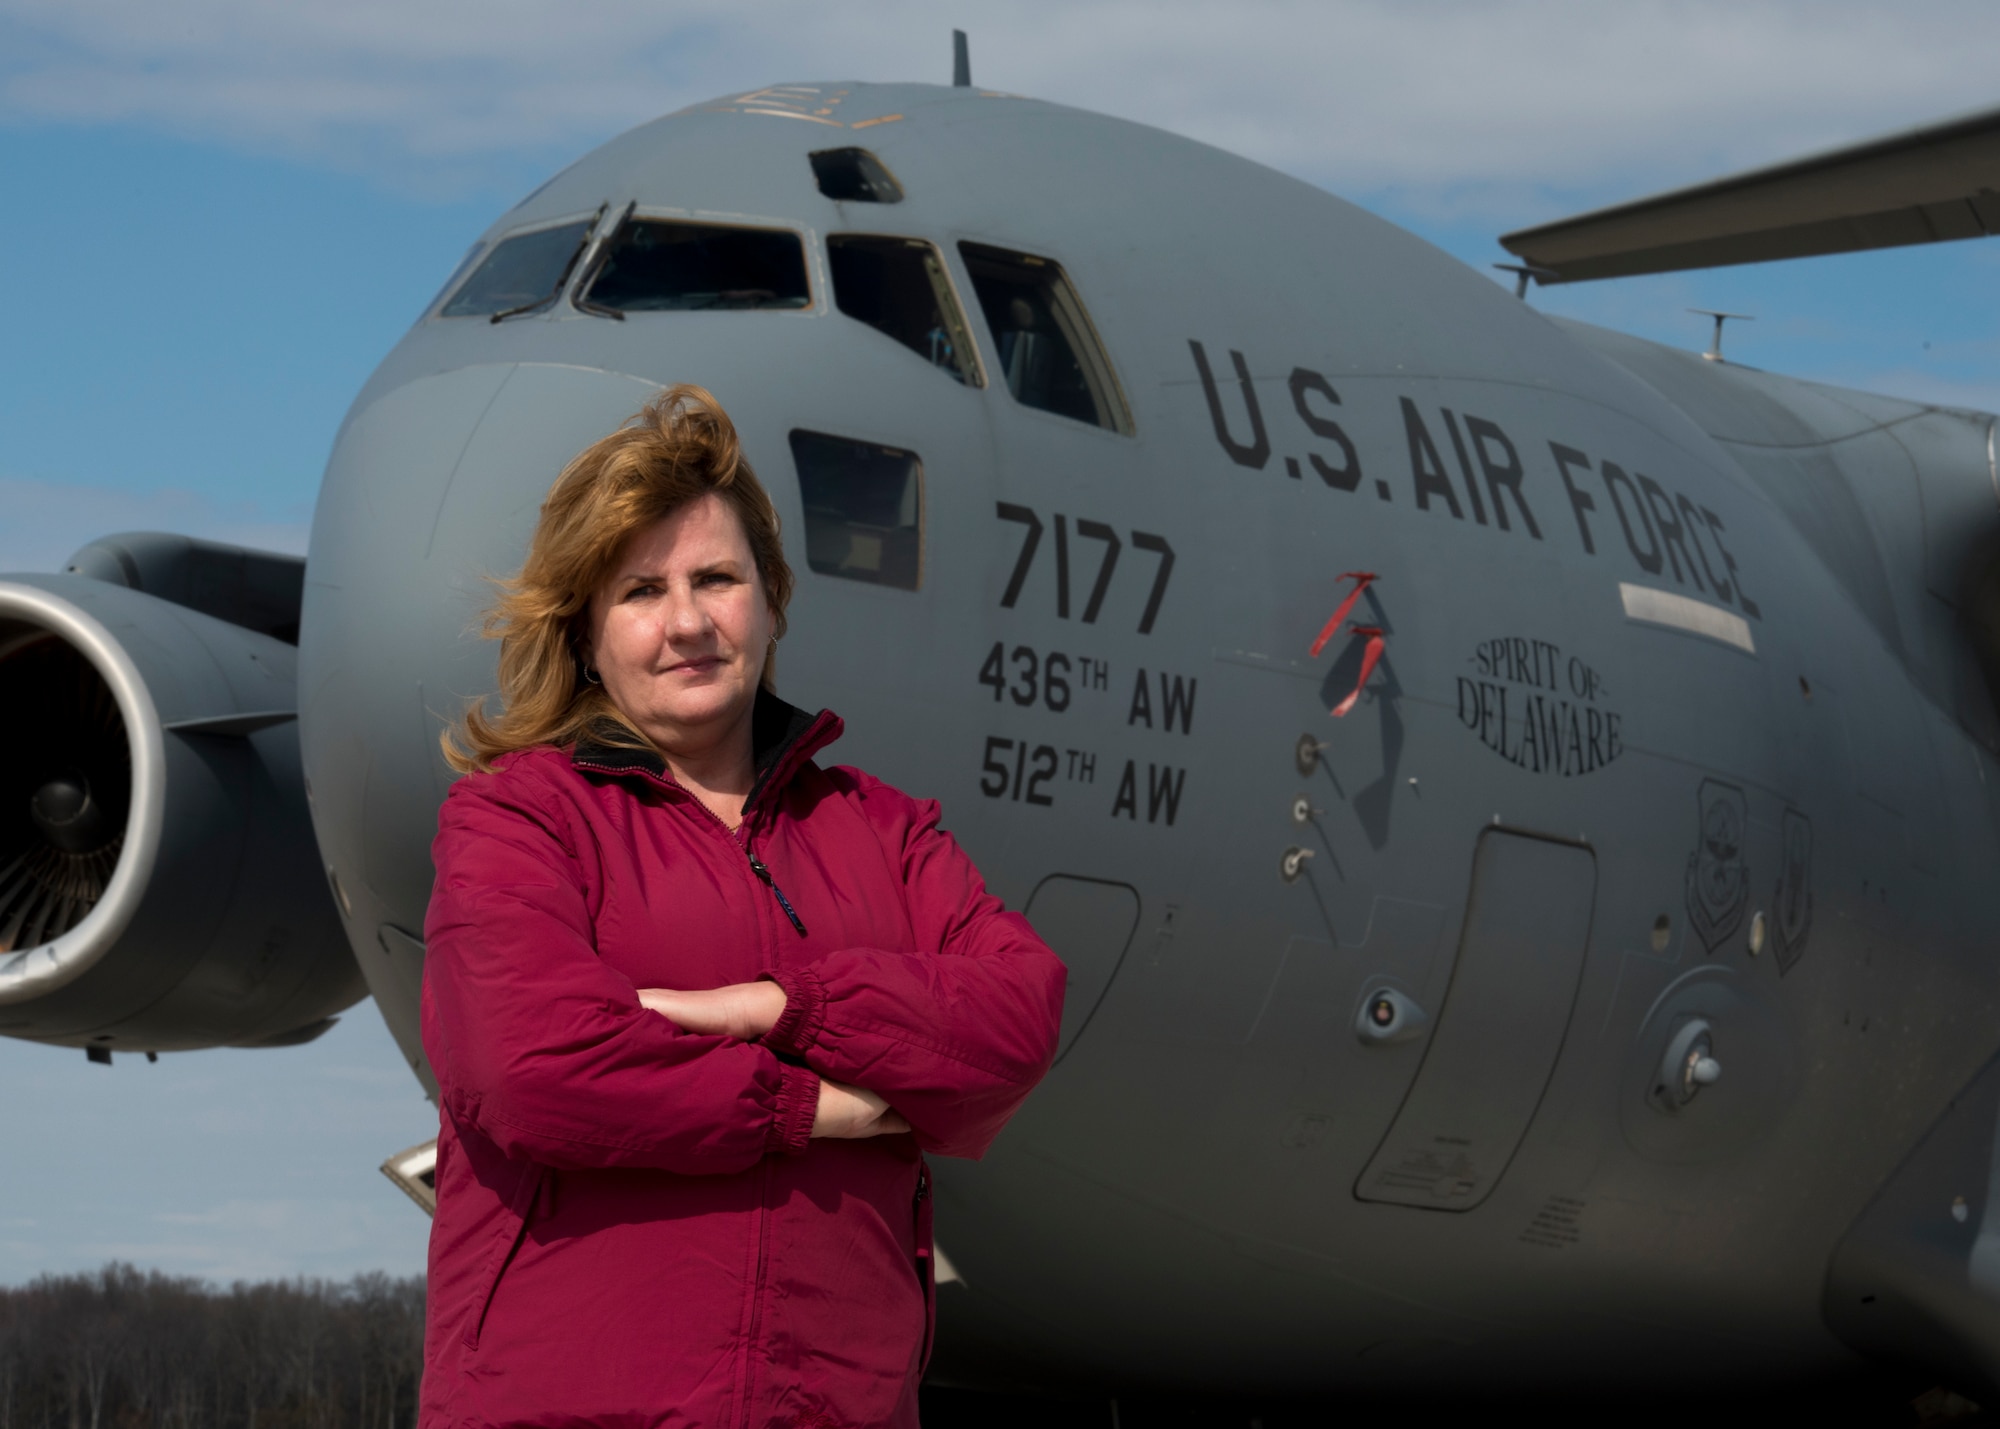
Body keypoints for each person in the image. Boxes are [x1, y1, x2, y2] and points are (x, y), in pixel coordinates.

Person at [418, 385, 1066, 1428]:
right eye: (638, 591)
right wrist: (816, 1106)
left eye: (716, 578)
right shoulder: (515, 820)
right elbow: (534, 1067)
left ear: (769, 599)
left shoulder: (885, 832)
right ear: (585, 631)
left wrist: (784, 1007)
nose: (685, 622)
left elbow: (1018, 1019)